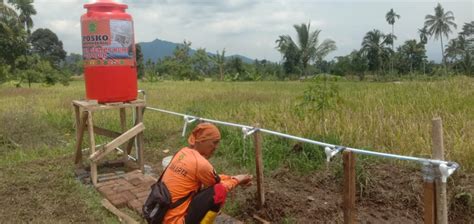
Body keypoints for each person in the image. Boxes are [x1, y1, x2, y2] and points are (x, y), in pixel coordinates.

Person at [161, 122, 252, 224]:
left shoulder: (182, 152)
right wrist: (238, 179)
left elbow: (215, 178)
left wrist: (232, 177)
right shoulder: (201, 163)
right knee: (219, 192)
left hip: (162, 216)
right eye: (214, 142)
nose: (216, 147)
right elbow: (219, 187)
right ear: (202, 141)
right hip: (176, 221)